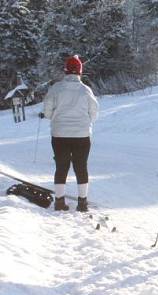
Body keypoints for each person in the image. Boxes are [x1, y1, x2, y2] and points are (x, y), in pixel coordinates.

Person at [42, 55, 99, 212]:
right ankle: (82, 203)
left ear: (65, 71)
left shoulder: (56, 89)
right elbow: (94, 114)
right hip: (82, 135)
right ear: (80, 71)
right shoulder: (86, 90)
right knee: (81, 167)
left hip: (59, 135)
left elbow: (47, 112)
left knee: (61, 167)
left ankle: (59, 202)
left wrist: (56, 117)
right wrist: (85, 121)